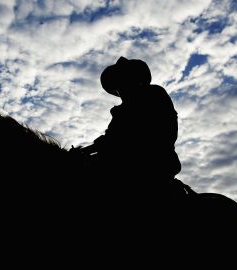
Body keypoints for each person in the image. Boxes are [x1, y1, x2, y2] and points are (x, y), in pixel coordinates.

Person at [73, 56, 181, 197]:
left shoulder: (153, 95)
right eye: (116, 89)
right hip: (126, 162)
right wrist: (86, 151)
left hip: (152, 164)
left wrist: (99, 147)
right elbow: (112, 138)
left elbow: (127, 137)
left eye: (120, 84)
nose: (119, 92)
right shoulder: (121, 111)